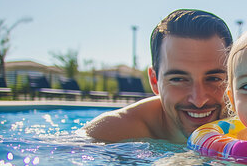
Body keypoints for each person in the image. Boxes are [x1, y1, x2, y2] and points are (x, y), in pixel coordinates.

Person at [82, 9, 233, 143]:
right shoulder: (110, 133)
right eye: (178, 79)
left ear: (233, 78)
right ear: (154, 81)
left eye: (214, 79)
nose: (199, 100)